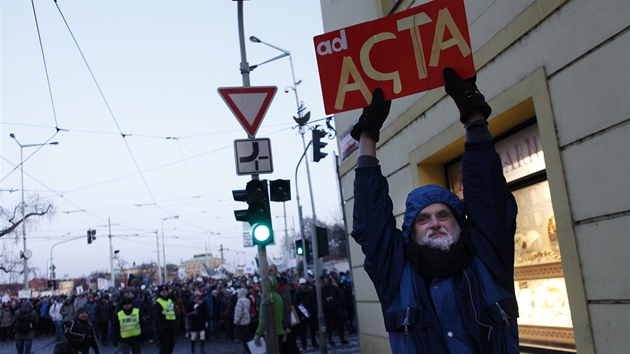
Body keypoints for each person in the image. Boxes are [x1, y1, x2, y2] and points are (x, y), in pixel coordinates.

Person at [350, 68, 519, 353]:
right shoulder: (396, 277)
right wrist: (367, 134)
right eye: (423, 219)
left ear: (458, 223)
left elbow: (489, 198)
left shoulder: (489, 262)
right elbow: (371, 222)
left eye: (443, 215)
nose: (434, 224)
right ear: (412, 232)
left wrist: (473, 112)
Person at [254, 276, 285, 353]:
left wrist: (258, 333)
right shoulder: (278, 296)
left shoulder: (266, 297)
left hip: (270, 332)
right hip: (279, 330)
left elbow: (264, 317)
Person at [294, 278, 319, 351]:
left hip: (310, 313)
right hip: (302, 315)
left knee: (312, 330)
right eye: (301, 285)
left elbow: (313, 303)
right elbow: (296, 304)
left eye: (304, 285)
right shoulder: (297, 294)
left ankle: (314, 343)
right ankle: (304, 345)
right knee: (302, 331)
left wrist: (314, 312)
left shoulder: (309, 292)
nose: (303, 286)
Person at [153, 285, 177, 354]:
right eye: (163, 292)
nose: (164, 293)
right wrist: (159, 330)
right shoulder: (157, 303)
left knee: (171, 346)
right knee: (164, 347)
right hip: (164, 328)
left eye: (165, 291)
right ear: (159, 292)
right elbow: (156, 318)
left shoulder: (169, 300)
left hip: (171, 327)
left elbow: (172, 313)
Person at [233, 288, 251, 354]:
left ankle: (246, 349)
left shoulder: (240, 301)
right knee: (247, 336)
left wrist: (236, 321)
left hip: (242, 321)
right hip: (247, 320)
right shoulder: (247, 300)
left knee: (243, 337)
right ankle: (248, 348)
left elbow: (238, 312)